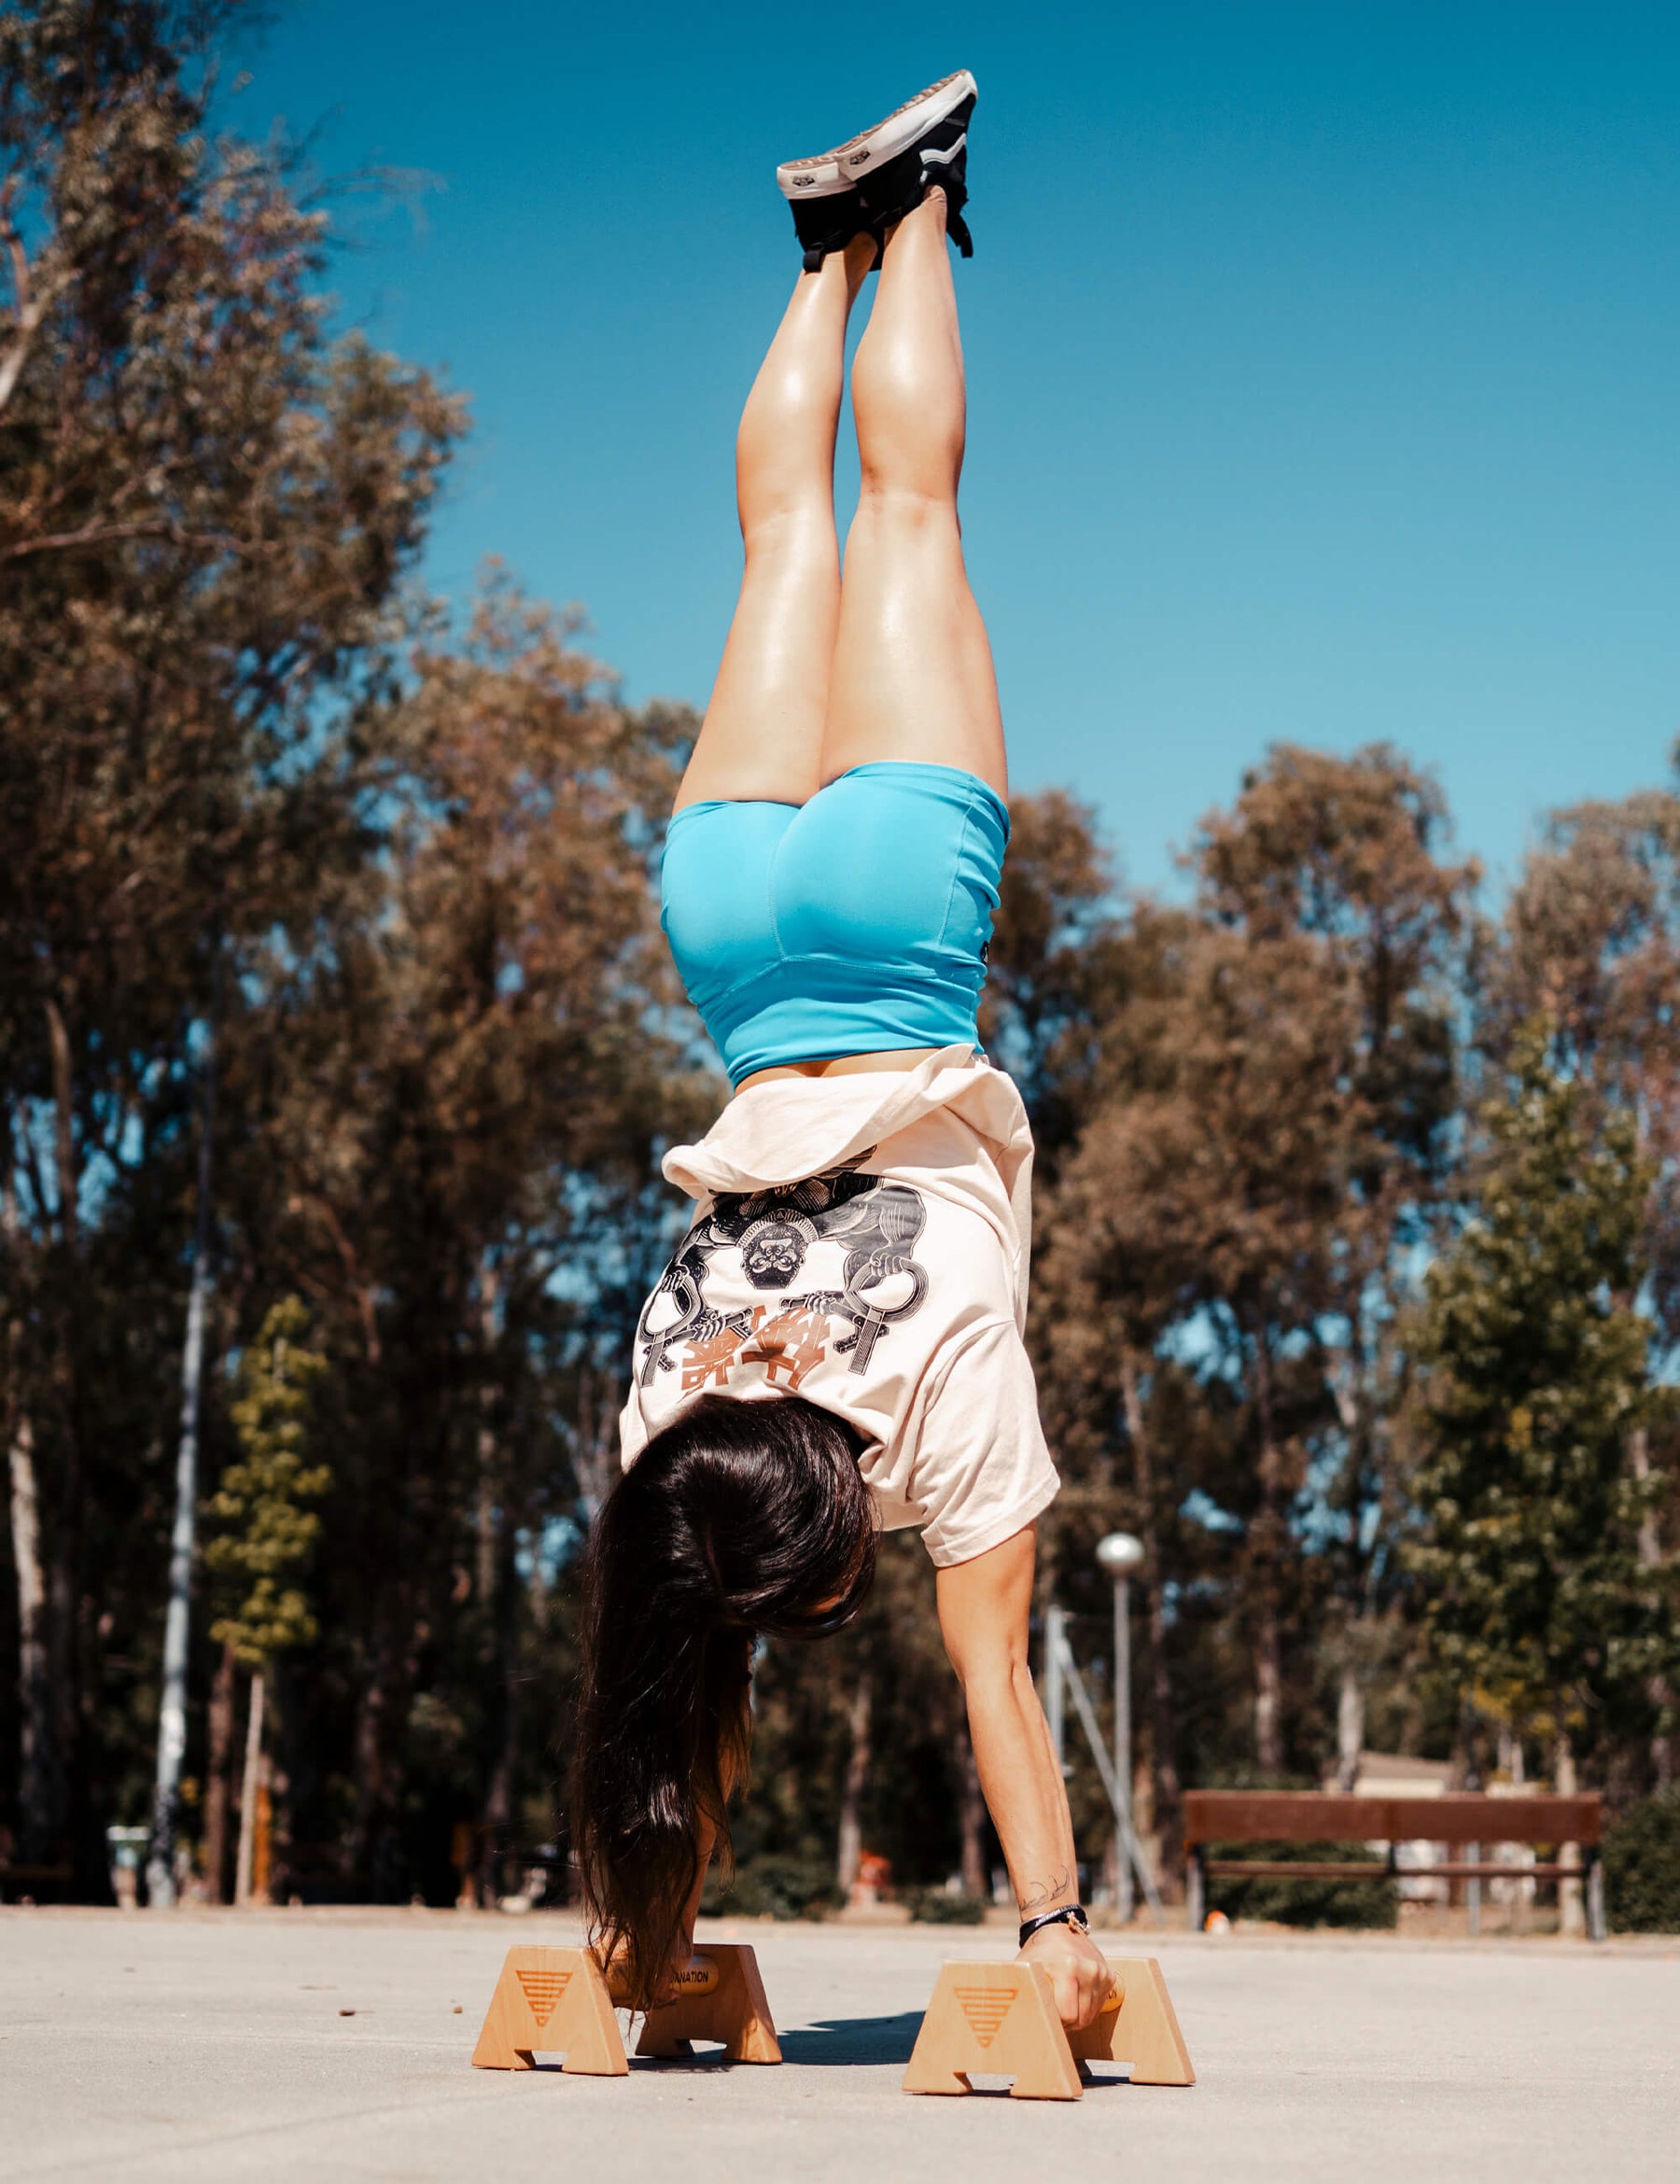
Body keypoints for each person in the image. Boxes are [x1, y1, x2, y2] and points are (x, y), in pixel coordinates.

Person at [570, 73, 1115, 2033]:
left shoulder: (946, 1409)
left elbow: (994, 1676)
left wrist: (1055, 1947)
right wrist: (645, 1930)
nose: (818, 1615)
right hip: (724, 933)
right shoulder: (667, 1440)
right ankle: (824, 252)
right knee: (774, 543)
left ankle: (913, 214)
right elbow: (672, 1665)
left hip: (893, 927)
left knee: (907, 508)